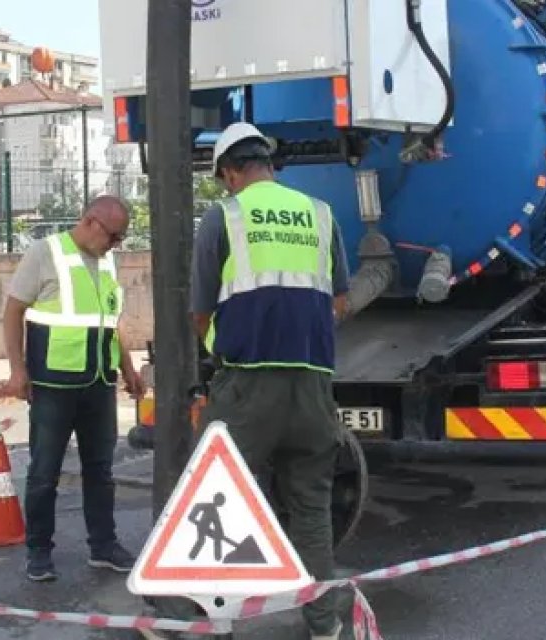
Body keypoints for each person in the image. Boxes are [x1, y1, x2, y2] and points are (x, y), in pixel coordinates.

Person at [188, 121, 352, 639]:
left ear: (230, 171)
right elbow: (340, 302)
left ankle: (221, 621)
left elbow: (199, 309)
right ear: (269, 164)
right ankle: (324, 626)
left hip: (246, 387)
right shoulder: (321, 215)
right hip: (312, 385)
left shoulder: (225, 216)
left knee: (220, 501)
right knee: (310, 507)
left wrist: (220, 346)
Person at [2, 195, 145, 583]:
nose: (116, 245)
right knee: (44, 471)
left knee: (101, 470)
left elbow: (111, 320)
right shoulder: (44, 253)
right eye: (113, 236)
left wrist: (128, 368)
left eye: (121, 239)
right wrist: (17, 369)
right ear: (90, 222)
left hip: (99, 383)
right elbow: (12, 311)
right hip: (53, 384)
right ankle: (39, 552)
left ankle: (103, 546)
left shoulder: (107, 260)